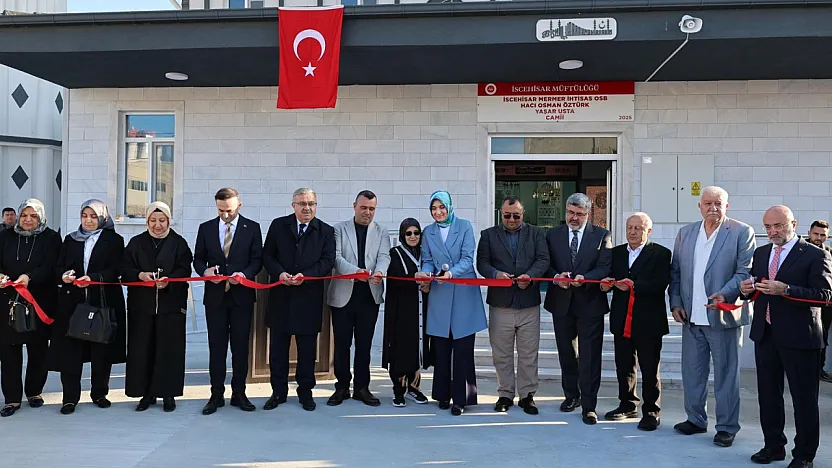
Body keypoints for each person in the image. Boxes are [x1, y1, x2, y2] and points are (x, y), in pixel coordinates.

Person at [742, 206, 832, 468]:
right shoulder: (761, 253)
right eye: (768, 227)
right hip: (766, 334)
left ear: (793, 223)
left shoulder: (815, 254)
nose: (773, 232)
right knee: (768, 396)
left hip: (800, 337)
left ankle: (804, 455)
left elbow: (825, 295)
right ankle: (773, 446)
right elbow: (756, 285)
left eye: (779, 226)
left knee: (804, 399)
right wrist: (745, 288)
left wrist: (787, 289)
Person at [669, 186, 755, 447]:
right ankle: (695, 419)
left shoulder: (741, 232)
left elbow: (744, 272)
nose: (713, 208)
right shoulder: (686, 233)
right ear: (699, 206)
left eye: (718, 203)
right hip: (691, 316)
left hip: (722, 316)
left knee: (726, 375)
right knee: (692, 372)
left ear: (727, 206)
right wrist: (675, 302)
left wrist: (725, 294)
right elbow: (676, 273)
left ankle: (727, 426)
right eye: (707, 203)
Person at [51, 200, 126, 415]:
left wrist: (93, 278)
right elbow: (59, 267)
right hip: (73, 303)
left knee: (101, 350)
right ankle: (69, 398)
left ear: (102, 217)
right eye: (85, 215)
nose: (89, 220)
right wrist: (64, 276)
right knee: (71, 351)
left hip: (102, 301)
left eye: (93, 216)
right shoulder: (71, 239)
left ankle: (99, 393)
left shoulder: (114, 240)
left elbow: (116, 269)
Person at [263, 188, 335, 412]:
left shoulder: (325, 231)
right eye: (302, 203)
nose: (307, 208)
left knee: (306, 351)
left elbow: (327, 261)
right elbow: (268, 255)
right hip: (281, 297)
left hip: (308, 298)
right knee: (278, 350)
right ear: (293, 205)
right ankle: (278, 392)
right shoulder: (278, 226)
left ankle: (305, 392)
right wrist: (280, 273)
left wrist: (307, 276)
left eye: (311, 203)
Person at [415, 190, 486, 416]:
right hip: (440, 294)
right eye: (434, 209)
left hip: (463, 292)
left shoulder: (464, 226)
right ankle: (442, 395)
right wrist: (425, 274)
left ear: (449, 207)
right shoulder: (428, 232)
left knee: (463, 349)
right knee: (442, 349)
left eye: (441, 208)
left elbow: (468, 258)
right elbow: (426, 260)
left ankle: (461, 399)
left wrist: (452, 274)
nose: (438, 212)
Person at [476, 196, 549, 415]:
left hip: (528, 303)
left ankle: (527, 395)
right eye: (507, 215)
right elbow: (482, 263)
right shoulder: (488, 235)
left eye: (516, 215)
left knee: (529, 353)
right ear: (501, 213)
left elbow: (543, 260)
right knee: (502, 354)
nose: (511, 219)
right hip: (501, 304)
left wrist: (532, 275)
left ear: (522, 213)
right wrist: (495, 274)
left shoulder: (536, 233)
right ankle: (505, 394)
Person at [543, 192, 612, 425]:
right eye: (570, 213)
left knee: (590, 356)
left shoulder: (602, 235)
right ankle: (571, 395)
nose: (574, 218)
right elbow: (545, 263)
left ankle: (589, 405)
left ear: (588, 214)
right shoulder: (552, 234)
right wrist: (555, 276)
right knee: (566, 353)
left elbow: (605, 266)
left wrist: (586, 277)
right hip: (561, 302)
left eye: (579, 214)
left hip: (590, 304)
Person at [193, 188, 263, 415]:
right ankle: (216, 394)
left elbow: (257, 261)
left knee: (240, 348)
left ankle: (239, 393)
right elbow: (198, 258)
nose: (225, 215)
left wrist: (244, 274)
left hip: (241, 297)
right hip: (215, 298)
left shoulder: (252, 228)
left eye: (229, 211)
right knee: (217, 348)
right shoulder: (206, 228)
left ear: (239, 206)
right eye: (221, 210)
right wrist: (205, 271)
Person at [600, 212, 671, 431]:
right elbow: (607, 277)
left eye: (638, 228)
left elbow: (660, 283)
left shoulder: (661, 253)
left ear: (648, 231)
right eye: (629, 227)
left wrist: (634, 285)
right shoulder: (616, 253)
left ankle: (651, 411)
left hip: (649, 320)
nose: (632, 232)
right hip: (622, 318)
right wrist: (605, 285)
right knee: (624, 365)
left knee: (650, 368)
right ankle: (627, 404)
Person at [120, 201, 193, 413]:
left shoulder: (179, 243)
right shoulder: (136, 243)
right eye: (153, 220)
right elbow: (124, 269)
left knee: (169, 350)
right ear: (147, 221)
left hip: (170, 306)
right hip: (141, 307)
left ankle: (168, 393)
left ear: (169, 221)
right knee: (142, 350)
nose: (157, 225)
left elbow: (184, 269)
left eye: (162, 220)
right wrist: (140, 275)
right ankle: (146, 393)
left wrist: (169, 280)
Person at [326, 191, 391, 407]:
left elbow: (384, 256)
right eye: (364, 208)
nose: (367, 212)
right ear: (355, 206)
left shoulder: (382, 232)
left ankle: (362, 388)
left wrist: (379, 272)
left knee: (364, 344)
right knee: (342, 343)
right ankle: (342, 386)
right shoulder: (339, 229)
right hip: (344, 294)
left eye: (372, 209)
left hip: (369, 295)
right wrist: (359, 272)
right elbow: (336, 258)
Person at [0, 199, 61, 417]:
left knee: (38, 350)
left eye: (33, 216)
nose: (27, 220)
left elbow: (52, 266)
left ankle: (34, 392)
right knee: (9, 351)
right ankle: (12, 398)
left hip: (39, 301)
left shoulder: (51, 237)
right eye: (24, 215)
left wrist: (30, 277)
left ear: (41, 217)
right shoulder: (5, 236)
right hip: (8, 302)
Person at [382, 218, 431, 407]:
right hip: (401, 310)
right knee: (400, 349)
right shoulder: (395, 253)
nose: (413, 237)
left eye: (416, 233)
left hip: (420, 309)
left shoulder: (425, 254)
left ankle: (414, 388)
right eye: (408, 233)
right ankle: (398, 390)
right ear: (403, 235)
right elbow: (394, 278)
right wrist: (414, 278)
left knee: (417, 349)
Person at [805, 220, 832, 383]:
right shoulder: (799, 251)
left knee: (822, 337)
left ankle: (818, 369)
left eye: (823, 235)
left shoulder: (829, 253)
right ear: (809, 233)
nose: (819, 237)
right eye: (816, 234)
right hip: (802, 302)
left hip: (825, 305)